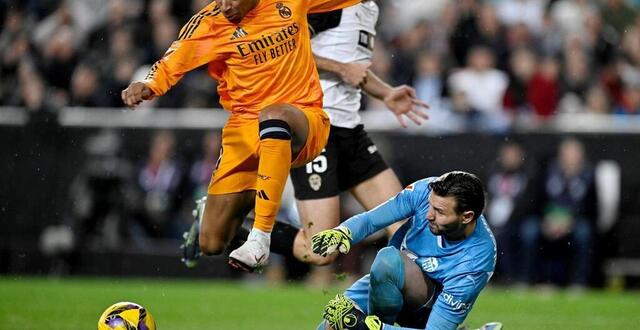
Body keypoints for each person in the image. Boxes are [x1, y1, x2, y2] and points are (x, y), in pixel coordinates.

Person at [121, 0, 364, 272]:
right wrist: (147, 84)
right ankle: (214, 217)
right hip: (244, 130)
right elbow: (173, 59)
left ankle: (260, 238)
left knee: (274, 116)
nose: (225, 5)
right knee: (212, 242)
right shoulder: (210, 22)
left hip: (302, 118)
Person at [289, 0, 428, 267]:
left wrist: (386, 92)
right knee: (320, 250)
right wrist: (342, 69)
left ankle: (410, 305)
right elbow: (290, 54)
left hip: (350, 129)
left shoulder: (370, 8)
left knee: (407, 228)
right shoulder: (329, 4)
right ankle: (246, 232)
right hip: (317, 128)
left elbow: (352, 68)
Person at [311, 171, 497, 330]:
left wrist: (365, 326)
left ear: (467, 217)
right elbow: (371, 220)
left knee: (388, 261)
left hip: (427, 309)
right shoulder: (426, 190)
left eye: (439, 212)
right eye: (430, 205)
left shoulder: (476, 262)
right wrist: (344, 232)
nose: (428, 215)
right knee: (330, 326)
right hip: (388, 282)